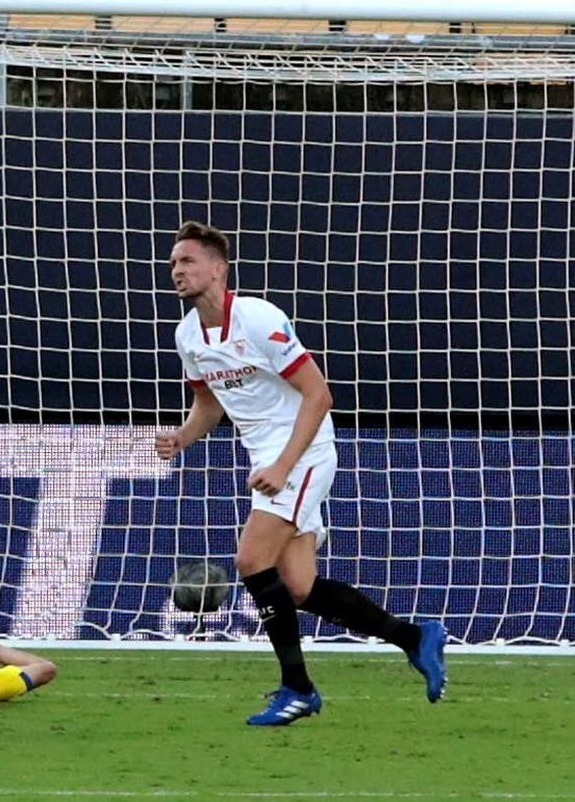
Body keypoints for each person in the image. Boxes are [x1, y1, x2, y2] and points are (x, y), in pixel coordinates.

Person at [156, 220, 448, 726]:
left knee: (250, 559)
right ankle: (414, 637)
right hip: (268, 458)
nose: (177, 270)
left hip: (305, 449)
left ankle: (298, 688)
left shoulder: (259, 319)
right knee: (297, 586)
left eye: (188, 261)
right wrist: (182, 437)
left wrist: (284, 464)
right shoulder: (188, 335)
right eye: (174, 263)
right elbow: (208, 403)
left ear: (218, 268)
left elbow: (319, 395)